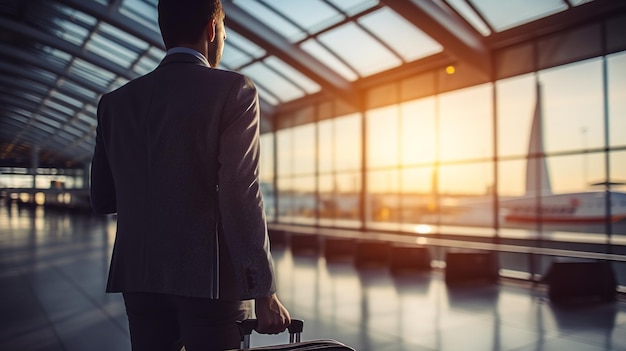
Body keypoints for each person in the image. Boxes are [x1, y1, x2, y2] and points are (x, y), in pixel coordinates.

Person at [89, 0, 290, 350]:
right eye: (225, 28)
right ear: (212, 29)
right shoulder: (234, 90)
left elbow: (103, 198)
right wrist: (262, 290)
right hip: (210, 282)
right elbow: (239, 193)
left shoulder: (114, 103)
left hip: (138, 275)